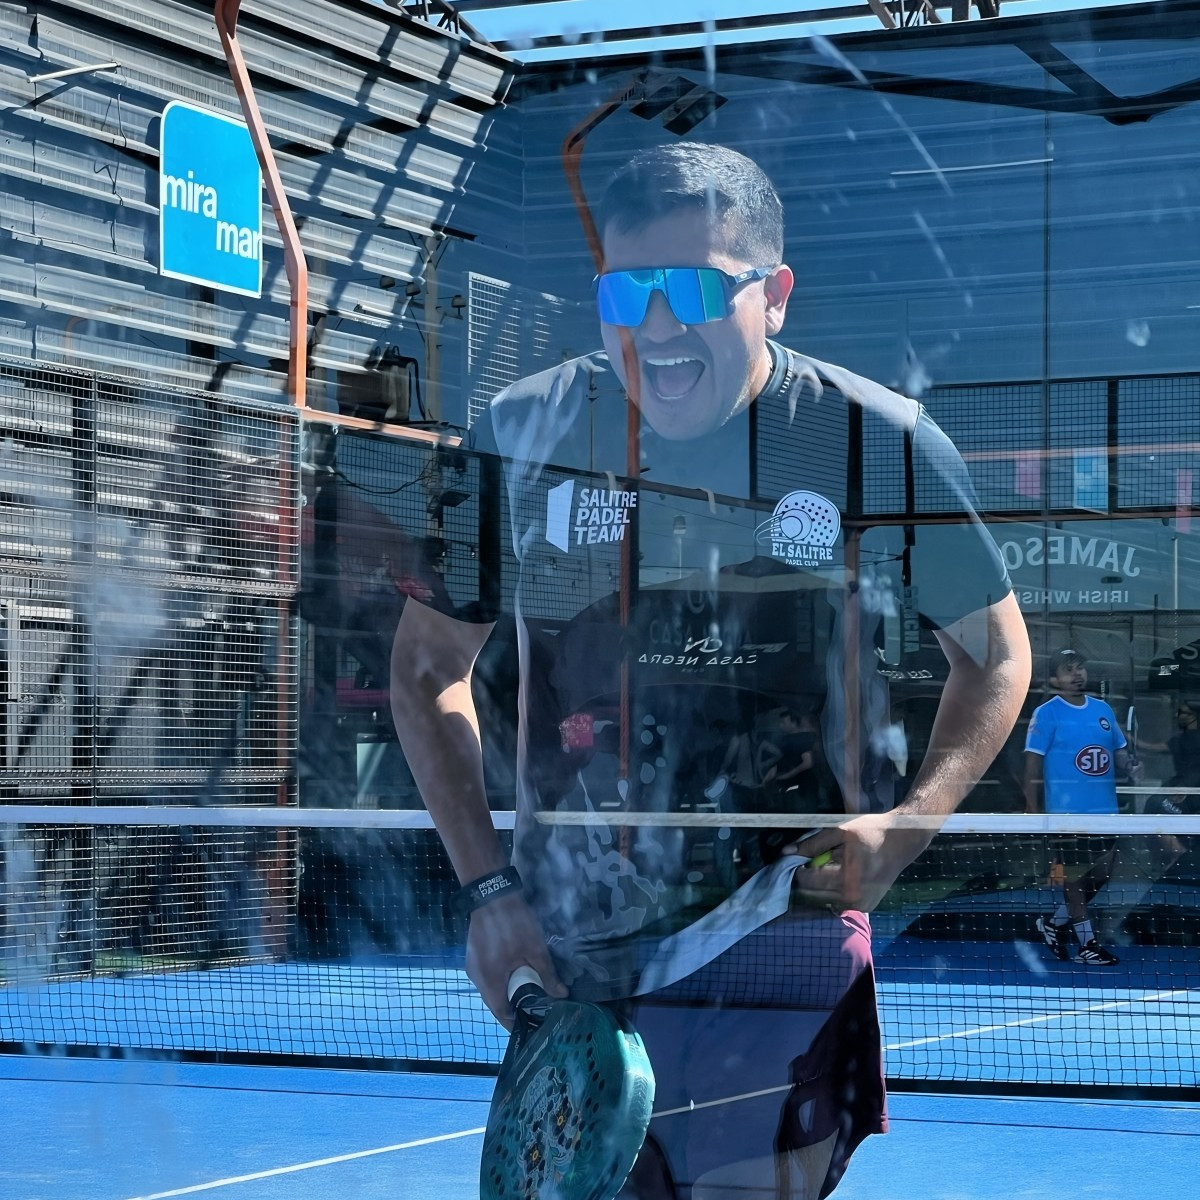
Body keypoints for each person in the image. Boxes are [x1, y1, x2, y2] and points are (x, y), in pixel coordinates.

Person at [391, 142, 1030, 1199]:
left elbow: (997, 654)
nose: (655, 327)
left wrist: (907, 829)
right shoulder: (519, 434)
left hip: (786, 921)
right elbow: (425, 670)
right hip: (576, 944)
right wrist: (490, 891)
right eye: (625, 291)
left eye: (691, 289)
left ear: (774, 295)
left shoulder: (876, 440)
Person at [1023, 649, 1136, 966]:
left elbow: (1119, 751)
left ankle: (1054, 924)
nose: (1077, 674)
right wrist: (1033, 809)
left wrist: (1131, 765)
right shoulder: (1047, 713)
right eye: (1068, 669)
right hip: (1066, 816)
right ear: (1055, 679)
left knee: (1102, 873)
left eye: (1080, 668)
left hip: (1106, 814)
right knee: (1073, 877)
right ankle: (1087, 945)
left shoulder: (1103, 710)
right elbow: (1032, 764)